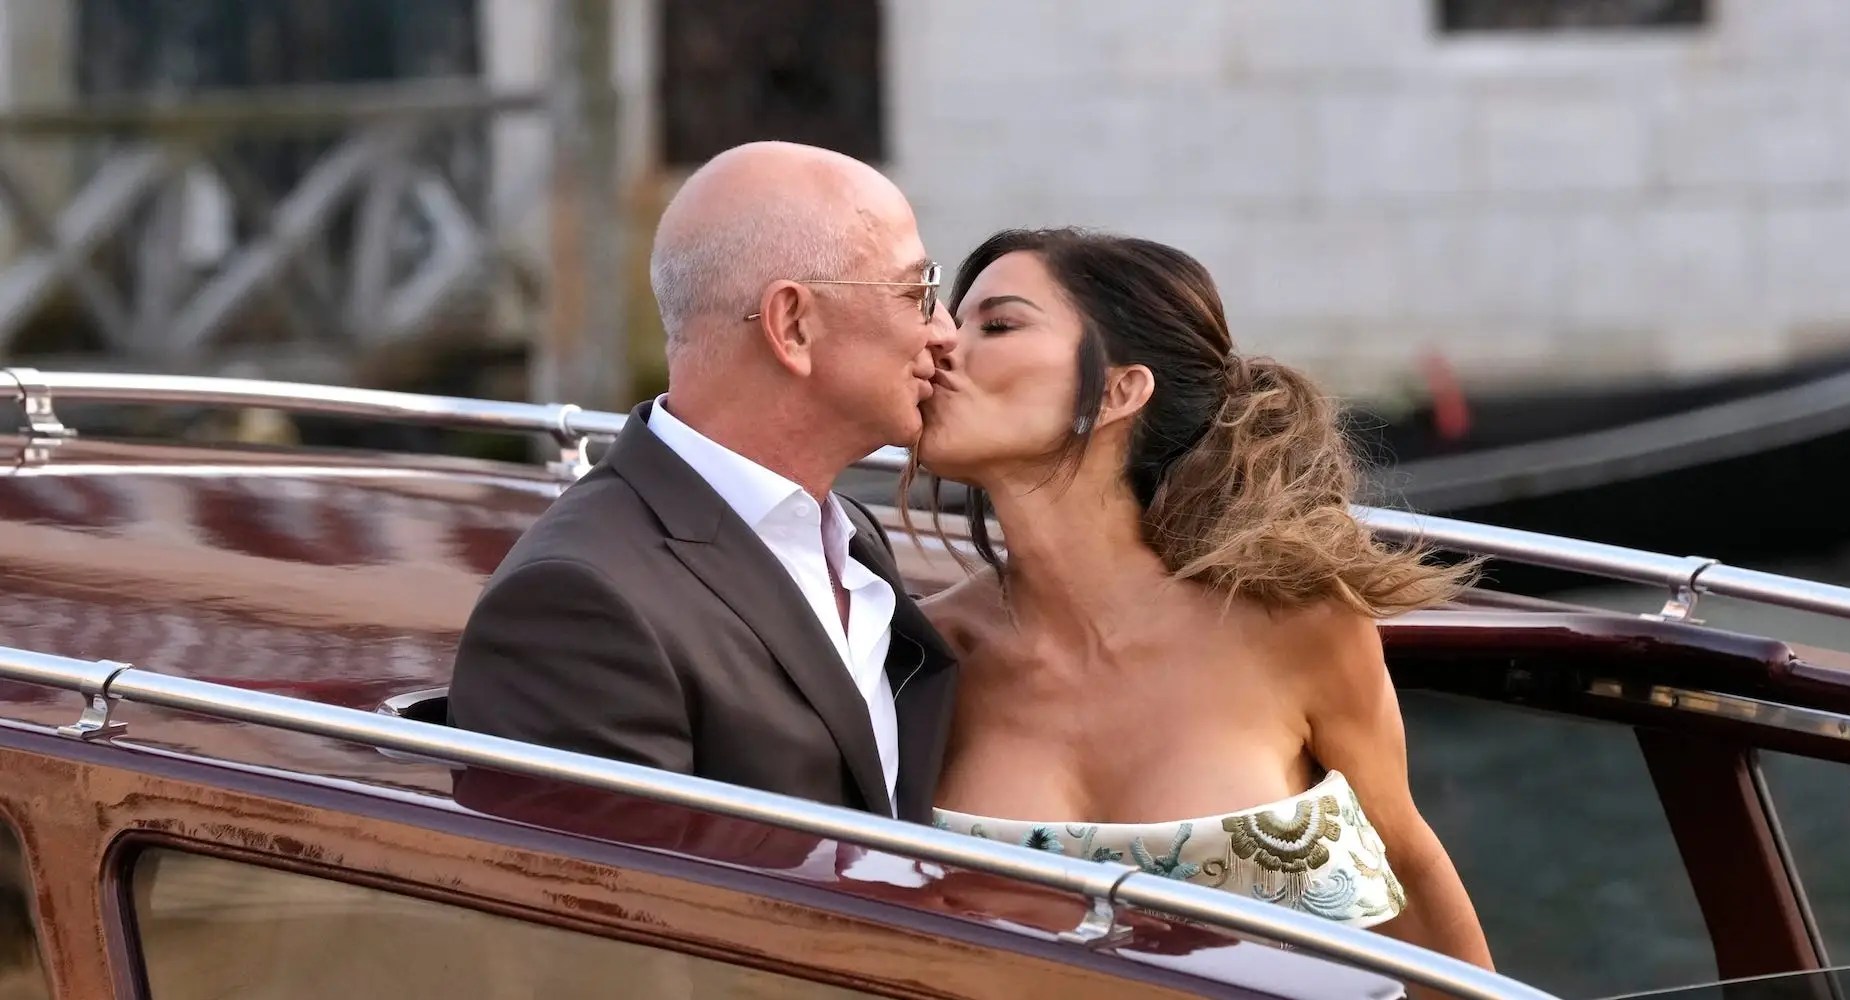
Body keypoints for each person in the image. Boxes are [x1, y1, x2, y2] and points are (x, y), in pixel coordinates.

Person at [913, 228, 1493, 967]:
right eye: (951, 318)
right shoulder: (925, 652)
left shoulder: (1295, 622)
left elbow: (1406, 862)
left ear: (1120, 391)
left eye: (996, 326)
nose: (940, 343)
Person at [447, 141, 960, 821]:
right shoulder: (575, 604)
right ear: (793, 325)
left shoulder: (847, 536)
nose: (946, 332)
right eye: (919, 293)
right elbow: (612, 888)